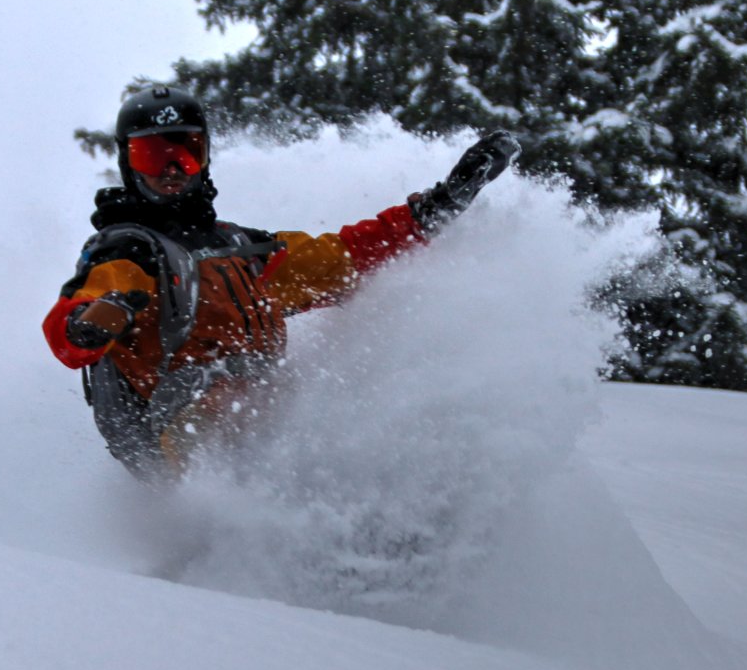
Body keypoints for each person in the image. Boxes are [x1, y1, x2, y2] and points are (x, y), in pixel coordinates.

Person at [44, 85, 519, 481]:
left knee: (329, 399)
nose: (171, 171)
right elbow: (77, 316)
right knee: (239, 400)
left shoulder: (240, 251)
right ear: (128, 164)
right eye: (152, 156)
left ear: (205, 156)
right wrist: (90, 323)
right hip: (174, 427)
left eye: (186, 154)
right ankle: (228, 525)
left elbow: (347, 258)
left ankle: (377, 518)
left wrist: (443, 203)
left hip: (255, 416)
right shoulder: (126, 250)